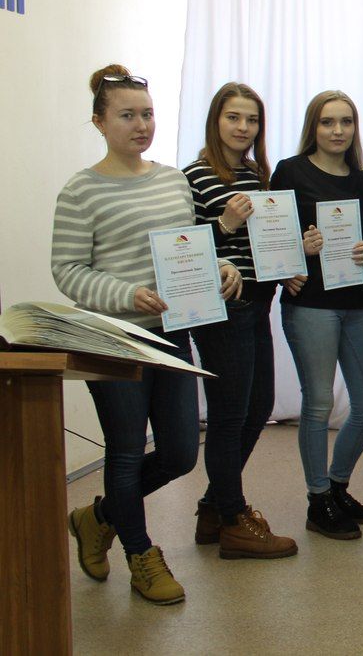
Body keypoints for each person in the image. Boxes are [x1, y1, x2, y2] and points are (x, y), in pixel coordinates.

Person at [59, 65, 240, 605]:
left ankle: (98, 518)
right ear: (99, 121)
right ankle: (140, 555)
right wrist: (126, 294)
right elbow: (67, 271)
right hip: (114, 340)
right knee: (124, 451)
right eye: (127, 115)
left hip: (171, 334)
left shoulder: (171, 180)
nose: (141, 125)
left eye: (148, 114)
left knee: (181, 452)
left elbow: (186, 247)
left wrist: (220, 267)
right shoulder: (80, 191)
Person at [183, 82, 295, 559]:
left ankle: (214, 508)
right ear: (216, 120)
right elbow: (181, 249)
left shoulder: (257, 175)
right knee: (230, 416)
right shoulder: (193, 176)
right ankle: (232, 518)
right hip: (221, 310)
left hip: (258, 303)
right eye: (234, 117)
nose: (243, 127)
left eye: (252, 120)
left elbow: (264, 246)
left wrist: (294, 257)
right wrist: (225, 223)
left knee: (259, 405)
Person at [272, 91, 363, 540]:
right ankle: (318, 500)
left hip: (359, 304)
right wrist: (298, 250)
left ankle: (337, 486)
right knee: (318, 403)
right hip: (311, 304)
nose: (338, 131)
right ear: (312, 127)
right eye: (327, 122)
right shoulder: (290, 172)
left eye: (346, 122)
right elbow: (269, 238)